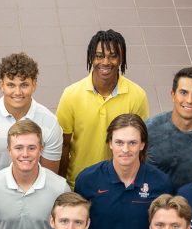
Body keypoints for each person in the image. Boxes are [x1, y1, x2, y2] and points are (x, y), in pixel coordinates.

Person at [75, 114, 173, 229]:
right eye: (119, 142)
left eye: (132, 143)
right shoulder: (87, 180)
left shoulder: (161, 184)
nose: (125, 150)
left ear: (142, 144)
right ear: (110, 143)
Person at [56, 30, 149, 188]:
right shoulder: (71, 95)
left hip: (120, 184)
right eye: (99, 56)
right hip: (78, 183)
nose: (106, 62)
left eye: (112, 56)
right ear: (91, 57)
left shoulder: (137, 95)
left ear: (121, 59)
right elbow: (63, 145)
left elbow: (141, 145)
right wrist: (61, 185)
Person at [0, 52, 63, 181]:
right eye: (11, 85)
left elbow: (49, 176)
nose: (17, 92)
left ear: (34, 85)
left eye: (24, 85)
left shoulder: (50, 123)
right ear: (1, 85)